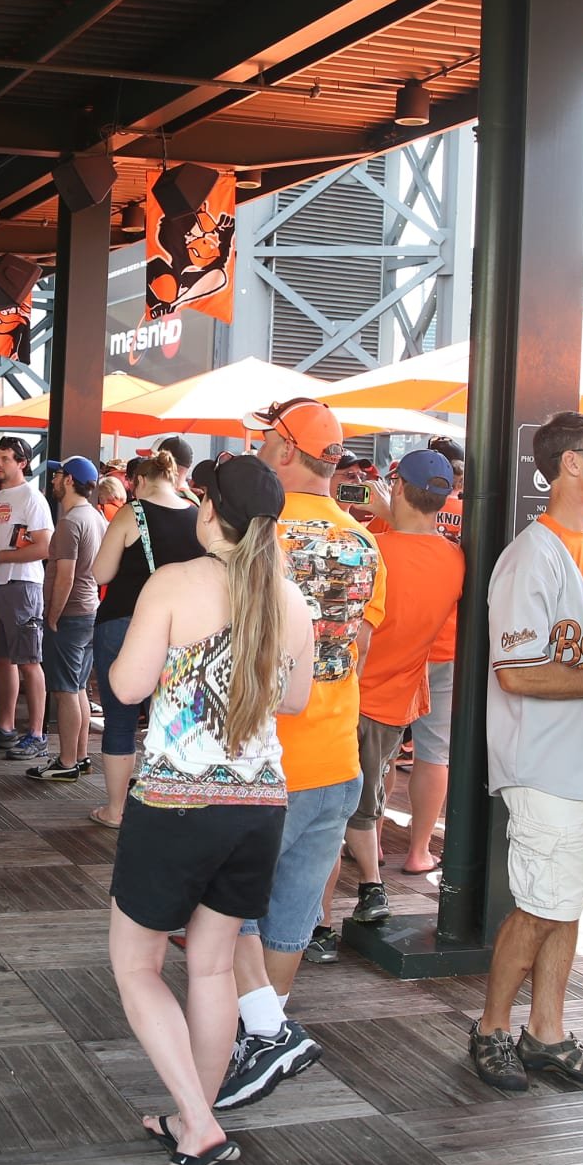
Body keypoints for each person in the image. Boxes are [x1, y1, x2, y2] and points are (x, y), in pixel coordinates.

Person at [106, 454, 310, 1165]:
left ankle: (199, 1122)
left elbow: (127, 686)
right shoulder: (287, 595)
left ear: (208, 513)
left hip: (176, 802)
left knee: (137, 965)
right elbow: (294, 701)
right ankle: (194, 1110)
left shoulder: (174, 582)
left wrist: (177, 672)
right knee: (216, 966)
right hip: (260, 805)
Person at [215, 397, 384, 1111]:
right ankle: (265, 1035)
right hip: (336, 758)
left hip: (254, 757)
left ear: (284, 451)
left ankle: (241, 1038)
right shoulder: (364, 544)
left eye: (262, 439)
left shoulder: (251, 532)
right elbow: (360, 651)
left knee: (229, 914)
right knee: (290, 917)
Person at [471, 411, 583, 1096]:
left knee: (566, 904)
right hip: (547, 763)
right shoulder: (531, 555)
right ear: (572, 463)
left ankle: (548, 1031)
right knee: (540, 903)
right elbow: (516, 672)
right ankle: (489, 1029)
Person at [320, 449, 462, 944]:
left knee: (327, 811)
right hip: (396, 701)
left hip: (346, 696)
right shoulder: (454, 558)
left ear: (397, 488)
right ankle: (371, 887)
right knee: (368, 797)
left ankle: (324, 920)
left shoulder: (372, 547)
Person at [87, 449, 205, 831]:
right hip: (179, 629)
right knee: (170, 719)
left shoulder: (131, 513)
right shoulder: (195, 513)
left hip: (124, 622)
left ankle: (116, 810)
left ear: (137, 481)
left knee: (120, 718)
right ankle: (165, 802)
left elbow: (101, 573)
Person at [30, 456, 107, 784]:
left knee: (63, 690)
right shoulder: (96, 517)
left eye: (58, 474)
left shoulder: (70, 523)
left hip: (71, 614)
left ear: (70, 480)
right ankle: (79, 757)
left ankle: (65, 762)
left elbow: (65, 576)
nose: (54, 479)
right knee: (78, 689)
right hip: (90, 611)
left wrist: (53, 615)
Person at [0, 436, 55, 761]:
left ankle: (37, 733)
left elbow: (44, 547)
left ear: (22, 462)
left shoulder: (32, 498)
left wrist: (1, 557)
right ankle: (6, 726)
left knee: (29, 660)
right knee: (4, 660)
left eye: (6, 458)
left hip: (22, 587)